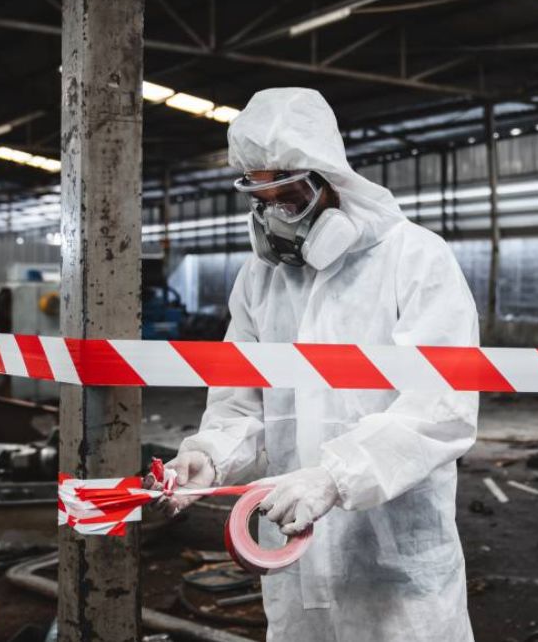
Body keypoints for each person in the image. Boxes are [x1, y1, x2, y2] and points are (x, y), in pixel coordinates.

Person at [156, 87, 480, 641]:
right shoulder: (259, 281)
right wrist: (211, 455)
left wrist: (336, 475)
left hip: (395, 560)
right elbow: (240, 403)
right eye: (262, 197)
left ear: (331, 178)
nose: (276, 214)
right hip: (292, 551)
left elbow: (441, 408)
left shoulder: (414, 257)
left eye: (290, 196)